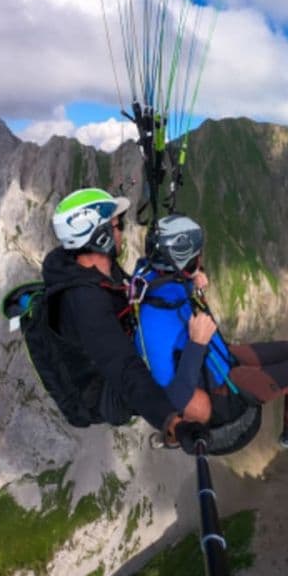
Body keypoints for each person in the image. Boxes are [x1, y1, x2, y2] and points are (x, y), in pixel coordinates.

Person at [134, 214, 288, 449]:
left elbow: (174, 299)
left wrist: (192, 284)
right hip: (221, 392)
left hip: (217, 360)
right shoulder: (153, 327)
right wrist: (196, 344)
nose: (200, 261)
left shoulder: (156, 280)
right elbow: (174, 397)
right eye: (195, 259)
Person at [42, 188, 190, 445]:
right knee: (175, 375)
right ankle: (197, 422)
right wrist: (171, 421)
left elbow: (131, 291)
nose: (122, 229)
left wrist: (186, 278)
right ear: (99, 237)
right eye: (116, 224)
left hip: (116, 353)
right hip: (103, 393)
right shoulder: (85, 301)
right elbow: (122, 368)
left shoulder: (100, 269)